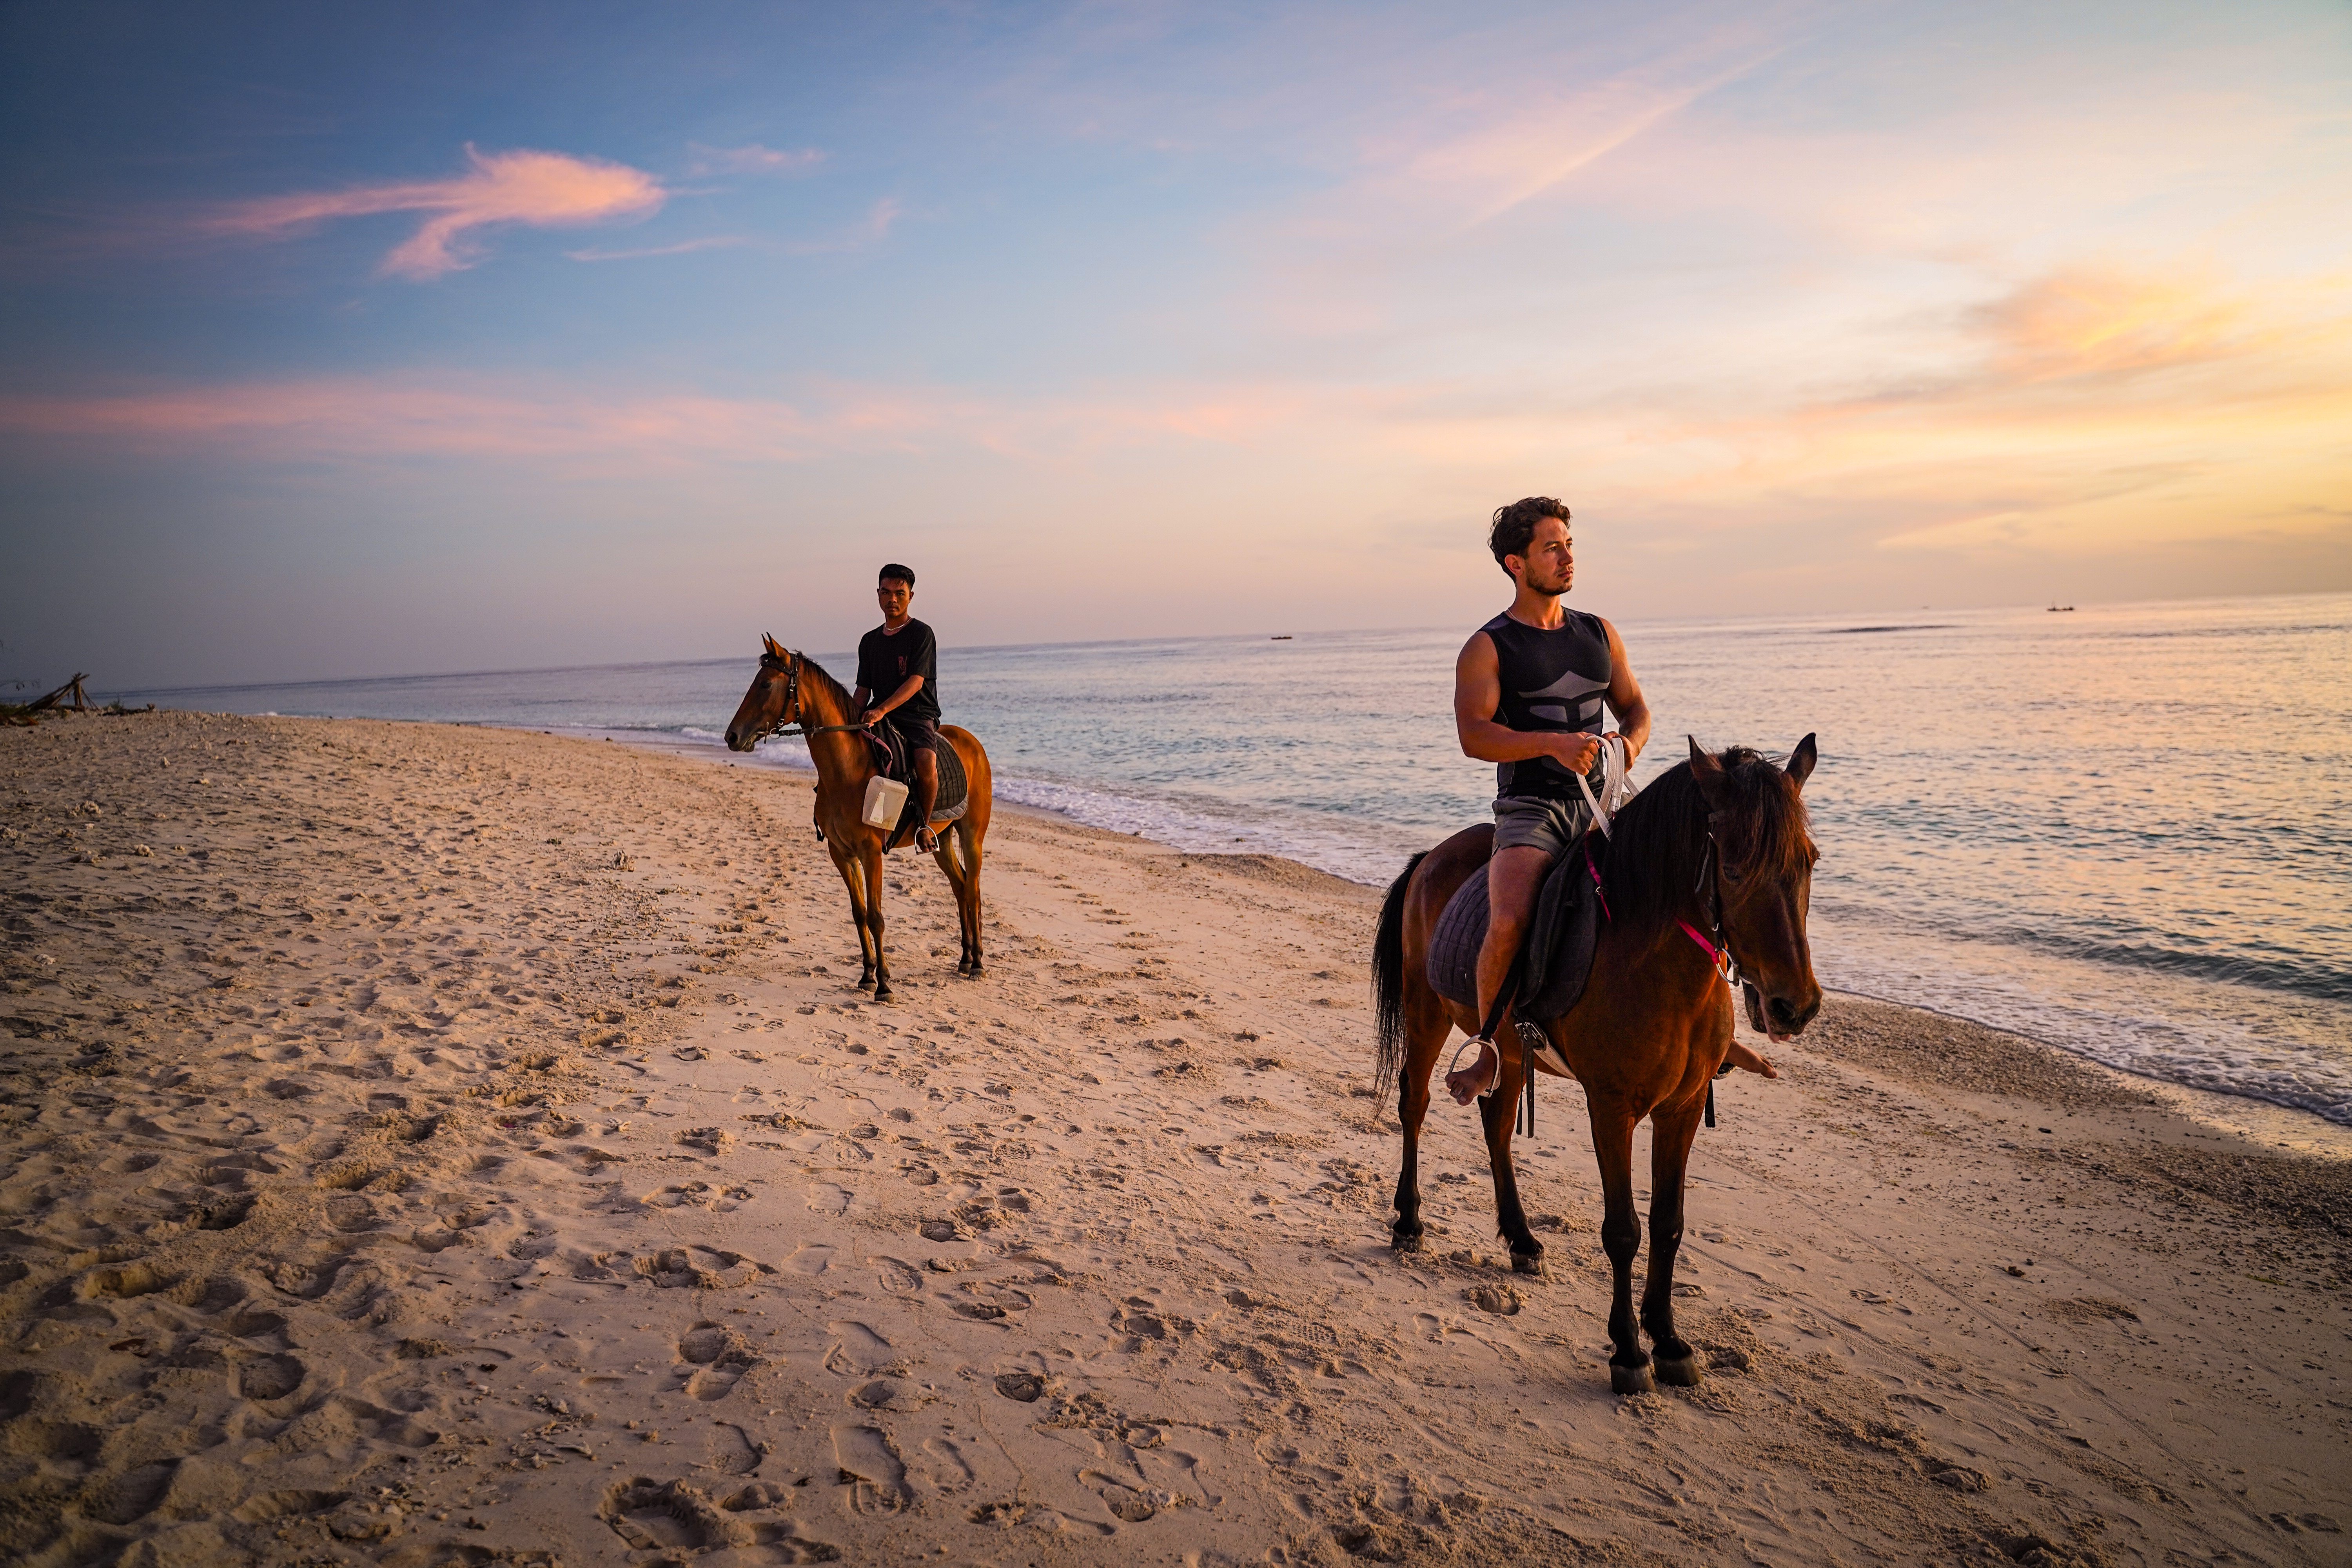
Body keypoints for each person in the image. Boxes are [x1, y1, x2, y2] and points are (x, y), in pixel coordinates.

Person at [1443, 498, 1773, 1107]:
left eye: (1569, 544)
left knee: (1694, 893)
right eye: (1552, 547)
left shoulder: (1597, 633)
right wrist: (1551, 745)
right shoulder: (1488, 647)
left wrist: (1630, 744)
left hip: (1607, 805)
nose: (1568, 557)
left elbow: (1638, 711)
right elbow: (1474, 736)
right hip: (1534, 811)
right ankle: (1489, 1046)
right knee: (1512, 918)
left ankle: (1710, 1033)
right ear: (1517, 564)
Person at [852, 564, 943, 853]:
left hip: (917, 715)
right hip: (880, 713)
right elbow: (863, 690)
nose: (893, 599)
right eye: (886, 592)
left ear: (911, 596)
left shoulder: (921, 634)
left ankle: (924, 826)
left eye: (899, 594)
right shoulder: (869, 641)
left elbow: (916, 682)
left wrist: (882, 710)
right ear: (878, 595)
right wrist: (849, 718)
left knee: (926, 763)